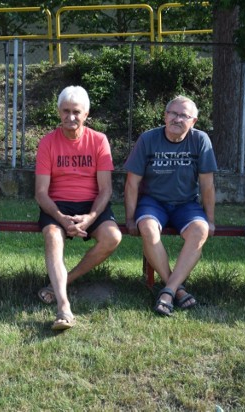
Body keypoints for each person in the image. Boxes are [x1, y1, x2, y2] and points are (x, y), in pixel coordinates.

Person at [35, 85, 122, 331]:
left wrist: (91, 217)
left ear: (86, 114)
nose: (70, 117)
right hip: (57, 205)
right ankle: (63, 307)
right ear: (58, 111)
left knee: (113, 237)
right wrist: (62, 219)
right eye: (65, 111)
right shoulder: (48, 143)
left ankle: (61, 282)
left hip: (92, 204)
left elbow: (105, 189)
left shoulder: (99, 140)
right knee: (53, 237)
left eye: (76, 112)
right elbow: (41, 193)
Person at [124, 95, 216, 317]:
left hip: (186, 203)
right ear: (164, 116)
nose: (177, 119)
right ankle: (177, 290)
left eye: (184, 115)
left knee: (200, 230)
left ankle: (169, 291)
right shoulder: (148, 139)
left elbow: (207, 184)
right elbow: (132, 182)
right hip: (153, 202)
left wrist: (210, 219)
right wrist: (129, 218)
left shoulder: (200, 140)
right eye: (173, 113)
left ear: (193, 121)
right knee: (147, 227)